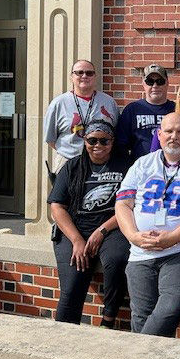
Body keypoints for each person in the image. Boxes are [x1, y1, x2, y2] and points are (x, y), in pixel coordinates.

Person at [115, 113, 180, 337]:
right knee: (140, 315)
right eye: (169, 132)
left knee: (169, 310)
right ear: (159, 135)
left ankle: (137, 357)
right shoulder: (143, 163)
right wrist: (133, 236)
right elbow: (123, 204)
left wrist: (171, 238)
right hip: (140, 252)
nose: (174, 137)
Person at [47, 120, 130, 327]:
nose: (98, 146)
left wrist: (101, 231)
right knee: (74, 281)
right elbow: (57, 206)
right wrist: (76, 240)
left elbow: (132, 205)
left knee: (116, 260)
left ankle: (108, 319)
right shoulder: (73, 166)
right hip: (75, 229)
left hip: (112, 227)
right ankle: (64, 334)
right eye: (92, 140)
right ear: (85, 141)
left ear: (112, 142)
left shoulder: (126, 165)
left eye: (104, 141)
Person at [44, 60, 119, 171]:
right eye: (79, 72)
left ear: (95, 77)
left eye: (89, 73)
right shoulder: (58, 103)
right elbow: (51, 139)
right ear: (71, 77)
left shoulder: (109, 102)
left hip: (102, 163)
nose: (84, 76)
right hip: (68, 162)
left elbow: (115, 133)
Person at [115, 64, 175, 162]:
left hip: (170, 167)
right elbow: (121, 144)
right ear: (143, 84)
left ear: (167, 83)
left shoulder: (176, 110)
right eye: (150, 82)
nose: (155, 86)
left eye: (160, 81)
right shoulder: (132, 110)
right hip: (141, 169)